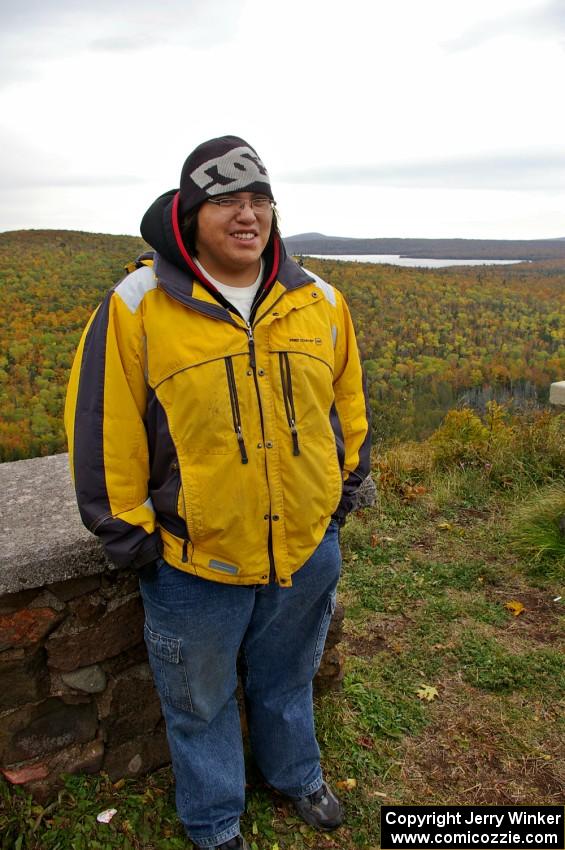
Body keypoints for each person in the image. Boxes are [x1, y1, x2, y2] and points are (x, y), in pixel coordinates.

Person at [65, 135, 371, 850]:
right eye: (227, 201)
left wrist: (340, 494)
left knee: (288, 676)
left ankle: (296, 775)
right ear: (189, 213)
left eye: (259, 199)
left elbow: (347, 407)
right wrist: (134, 539)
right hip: (191, 560)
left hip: (303, 547)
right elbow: (104, 430)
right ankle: (213, 822)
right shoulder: (139, 305)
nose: (247, 215)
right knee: (199, 704)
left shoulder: (318, 301)